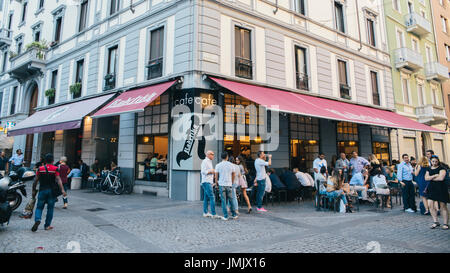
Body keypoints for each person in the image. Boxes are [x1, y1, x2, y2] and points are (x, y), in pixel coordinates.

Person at [31, 153, 67, 232]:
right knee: (50, 208)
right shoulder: (55, 168)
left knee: (39, 207)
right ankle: (47, 225)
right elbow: (58, 180)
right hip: (51, 191)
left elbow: (35, 180)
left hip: (42, 190)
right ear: (53, 161)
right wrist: (62, 190)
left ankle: (37, 219)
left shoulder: (40, 169)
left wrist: (33, 189)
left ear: (45, 161)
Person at [425, 156, 449, 230]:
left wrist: (431, 178)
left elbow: (441, 178)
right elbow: (426, 178)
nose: (434, 163)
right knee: (430, 205)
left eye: (436, 161)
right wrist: (435, 176)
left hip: (441, 188)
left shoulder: (442, 168)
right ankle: (435, 221)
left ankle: (445, 223)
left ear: (438, 161)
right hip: (431, 189)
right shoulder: (428, 168)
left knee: (443, 206)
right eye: (433, 161)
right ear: (431, 161)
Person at [215, 152, 237, 220]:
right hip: (229, 184)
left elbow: (216, 176)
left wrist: (216, 183)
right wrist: (232, 182)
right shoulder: (231, 165)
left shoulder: (218, 165)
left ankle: (225, 216)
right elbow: (233, 174)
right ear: (227, 157)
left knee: (223, 201)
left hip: (221, 184)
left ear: (221, 157)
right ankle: (234, 214)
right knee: (231, 200)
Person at [200, 150, 219, 218]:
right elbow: (203, 172)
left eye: (213, 154)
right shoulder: (205, 161)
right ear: (208, 155)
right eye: (212, 154)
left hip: (208, 181)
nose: (213, 155)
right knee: (212, 197)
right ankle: (213, 214)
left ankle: (205, 212)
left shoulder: (209, 161)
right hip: (206, 181)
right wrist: (211, 171)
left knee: (206, 198)